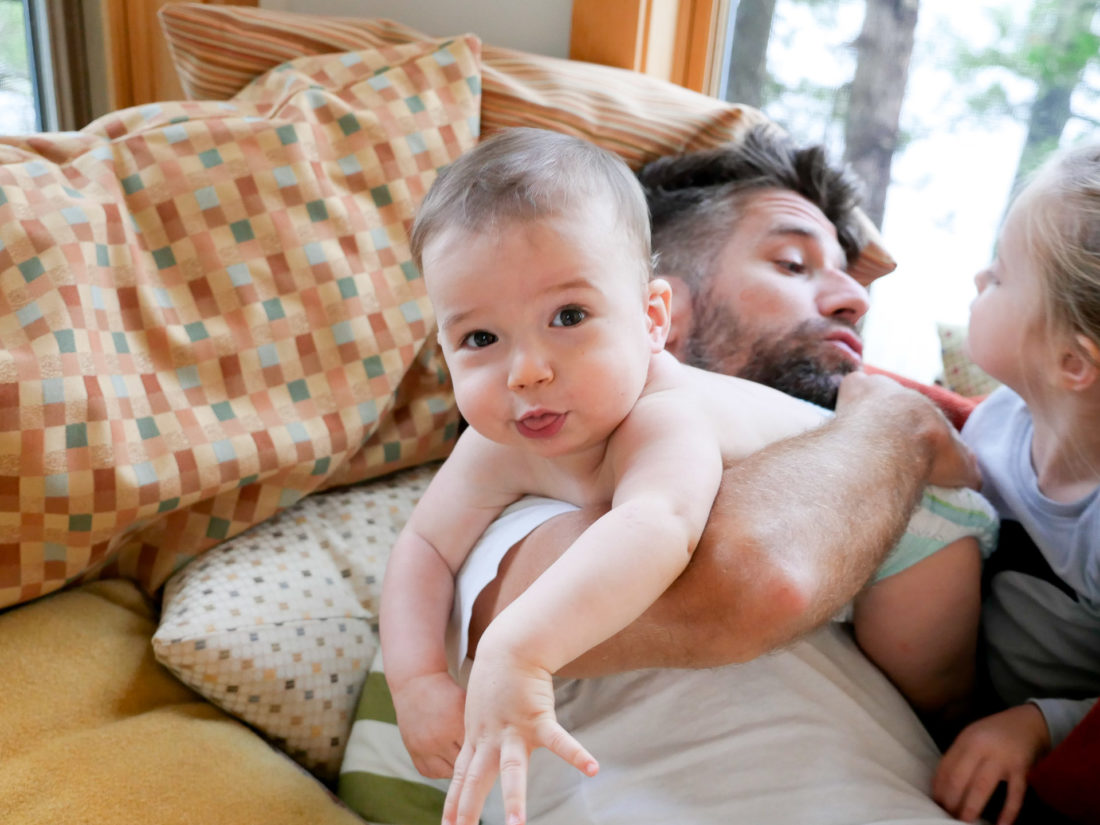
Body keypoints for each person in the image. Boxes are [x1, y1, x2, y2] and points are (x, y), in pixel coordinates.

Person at [931, 140, 1100, 825]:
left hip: (1034, 758)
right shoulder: (1002, 413)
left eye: (999, 276)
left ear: (1073, 362)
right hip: (951, 686)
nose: (978, 279)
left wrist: (1036, 725)